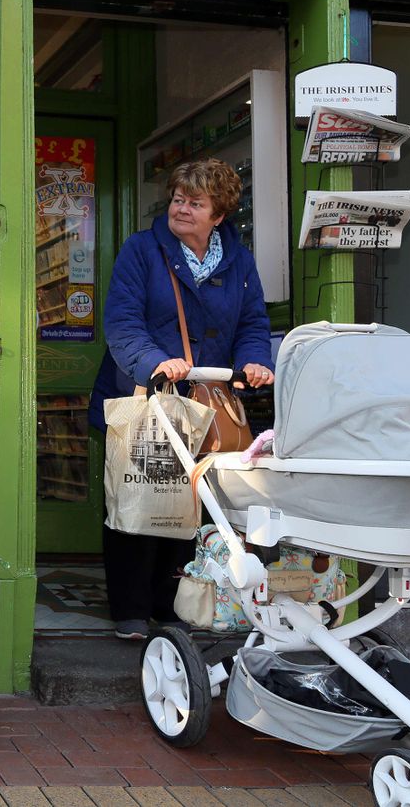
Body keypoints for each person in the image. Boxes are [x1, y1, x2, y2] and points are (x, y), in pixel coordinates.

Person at [88, 157, 274, 640]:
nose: (182, 210)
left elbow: (253, 324)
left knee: (195, 505)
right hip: (147, 392)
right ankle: (130, 609)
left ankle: (172, 606)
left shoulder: (240, 261)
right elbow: (123, 320)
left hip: (207, 403)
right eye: (178, 200)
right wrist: (155, 359)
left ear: (219, 215)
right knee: (137, 497)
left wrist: (255, 361)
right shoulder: (141, 251)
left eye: (196, 203)